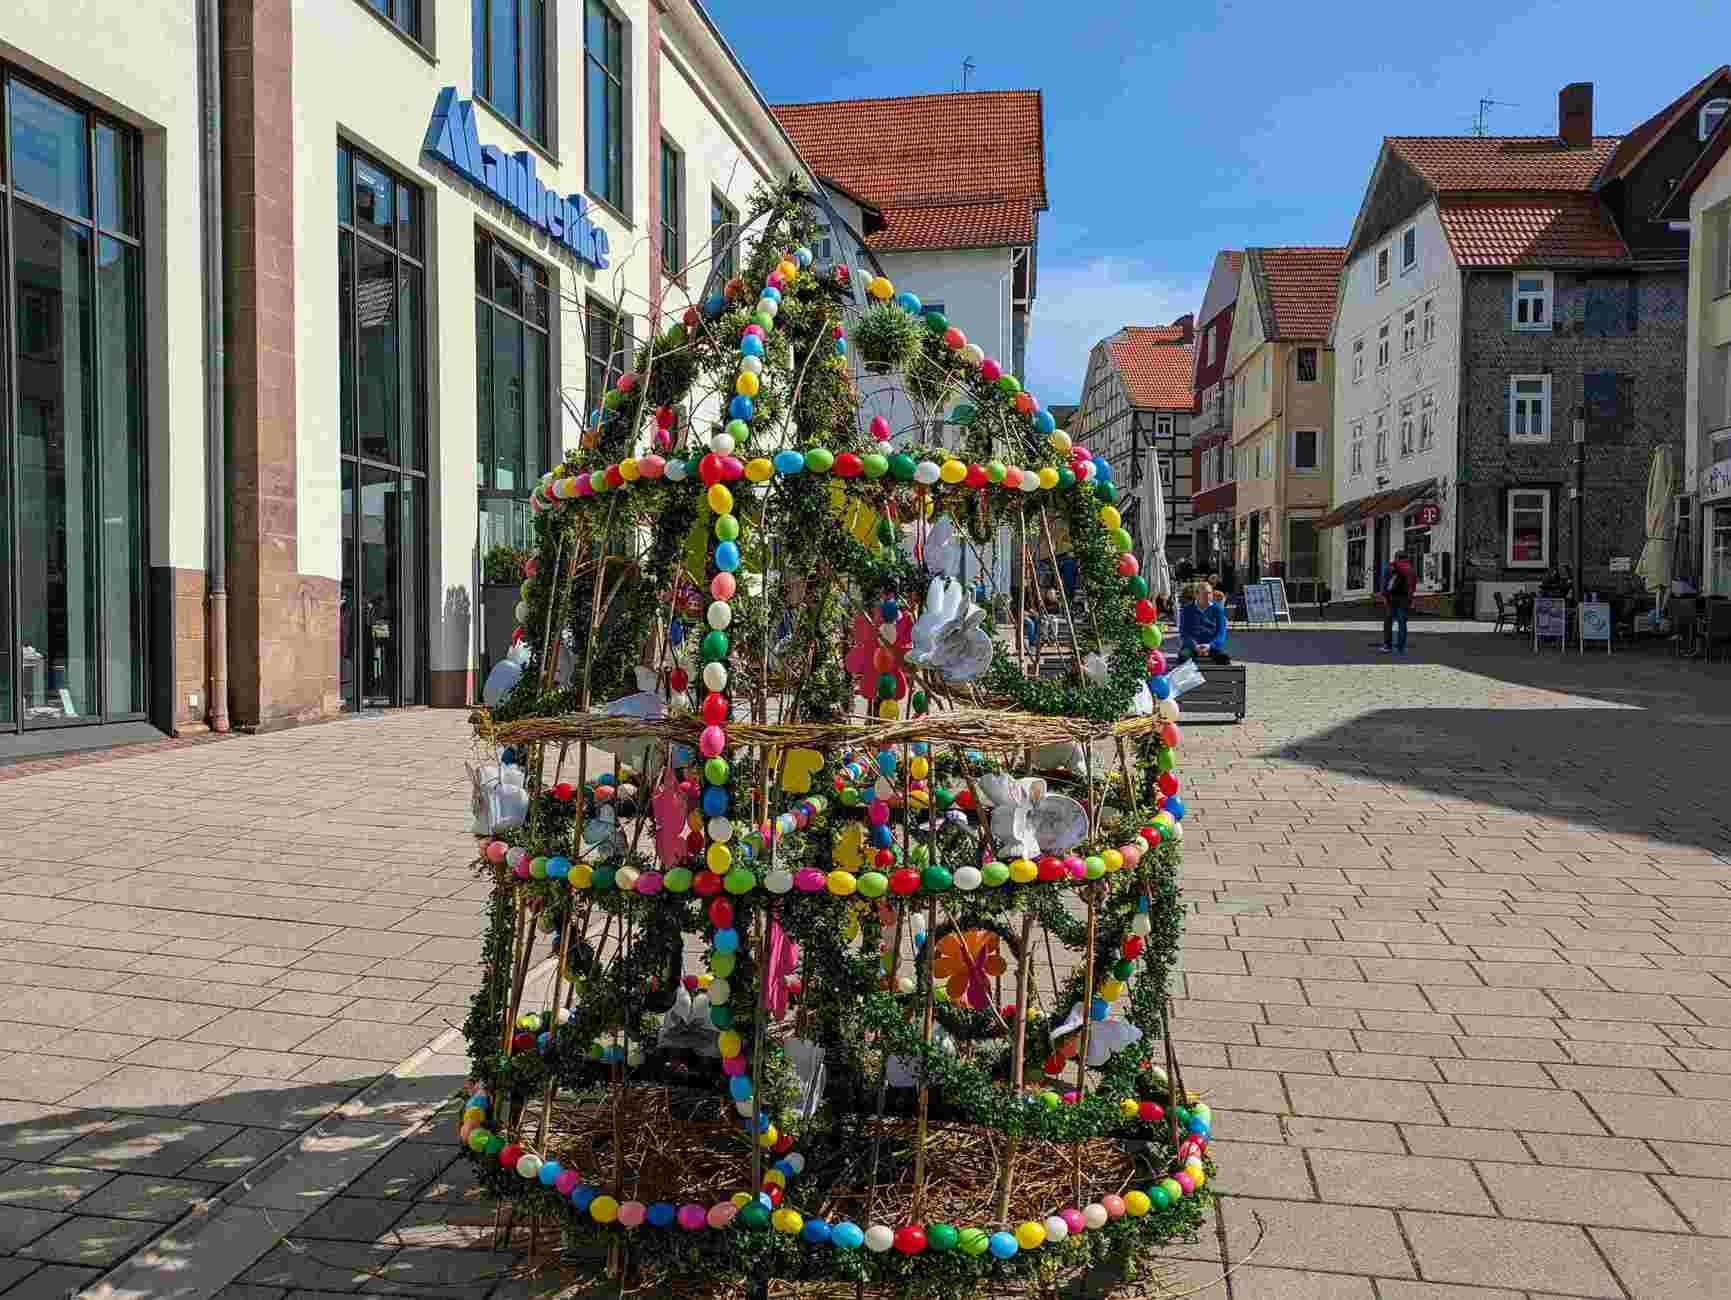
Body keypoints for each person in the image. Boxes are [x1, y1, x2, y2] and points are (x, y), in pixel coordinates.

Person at [1179, 581, 1231, 664]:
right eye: (1204, 594)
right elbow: (1184, 633)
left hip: (1211, 646)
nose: (1208, 596)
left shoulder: (1218, 610)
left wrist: (1210, 646)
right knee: (1183, 657)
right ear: (1196, 595)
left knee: (1224, 659)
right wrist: (1195, 646)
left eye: (1209, 593)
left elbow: (1221, 633)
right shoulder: (1186, 610)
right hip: (1191, 647)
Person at [1378, 549, 1416, 654]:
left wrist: (1384, 596)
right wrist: (1410, 600)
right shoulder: (1410, 569)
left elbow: (1384, 582)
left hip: (1391, 599)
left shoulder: (1390, 567)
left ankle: (1387, 646)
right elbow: (1412, 587)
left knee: (1388, 623)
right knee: (1402, 624)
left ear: (1396, 557)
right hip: (1404, 600)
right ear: (1406, 558)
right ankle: (1401, 647)